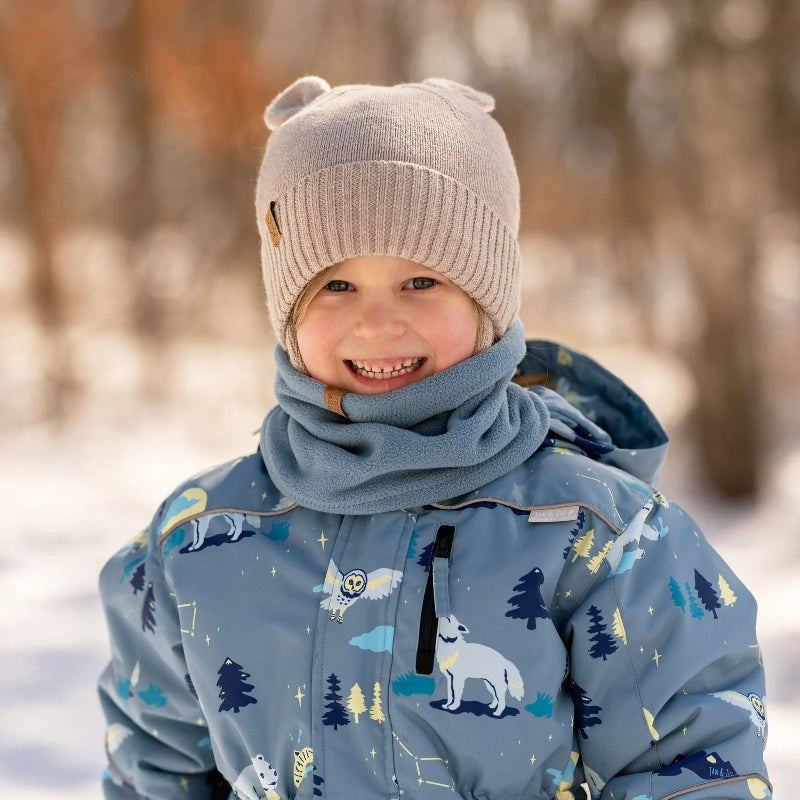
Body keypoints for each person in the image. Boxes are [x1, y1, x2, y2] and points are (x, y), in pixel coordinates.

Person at [98, 76, 771, 800]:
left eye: (421, 281)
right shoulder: (199, 541)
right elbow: (153, 770)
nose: (377, 323)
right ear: (284, 309)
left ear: (489, 300)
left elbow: (693, 767)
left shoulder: (601, 535)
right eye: (334, 286)